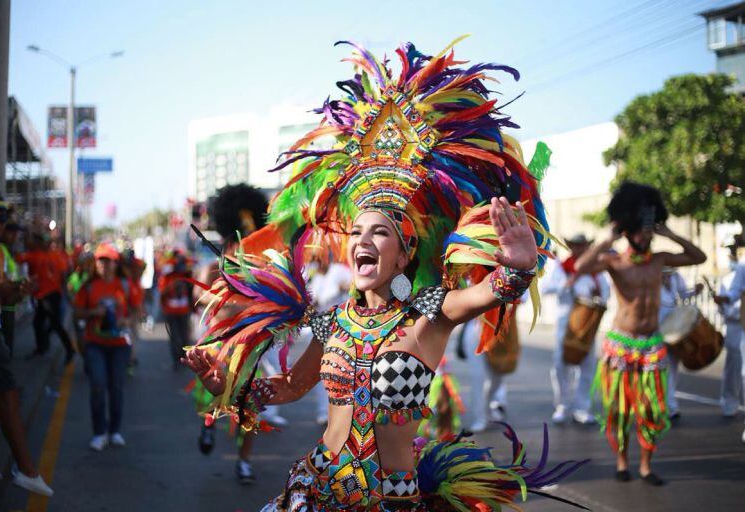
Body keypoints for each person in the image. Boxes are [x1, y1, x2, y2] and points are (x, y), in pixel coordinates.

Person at [184, 40, 584, 511]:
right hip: (317, 489)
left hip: (389, 501)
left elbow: (490, 292)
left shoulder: (427, 315)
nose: (362, 241)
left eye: (380, 233)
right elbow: (292, 387)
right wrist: (232, 388)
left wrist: (517, 264)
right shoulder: (331, 321)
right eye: (355, 232)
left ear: (404, 254)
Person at [577, 181, 706, 486]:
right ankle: (622, 462)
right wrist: (605, 238)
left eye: (649, 229)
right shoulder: (614, 261)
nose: (646, 234)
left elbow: (698, 257)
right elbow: (581, 267)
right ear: (628, 231)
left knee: (651, 410)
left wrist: (670, 234)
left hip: (652, 344)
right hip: (621, 345)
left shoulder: (660, 259)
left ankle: (646, 467)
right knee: (620, 410)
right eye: (641, 229)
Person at [192, 183, 280, 484]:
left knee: (248, 408)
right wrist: (232, 301)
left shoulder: (260, 267)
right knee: (211, 397)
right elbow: (198, 297)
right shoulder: (214, 267)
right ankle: (208, 424)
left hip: (249, 349)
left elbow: (270, 303)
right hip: (216, 348)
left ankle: (244, 462)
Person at [0, 192, 53, 496]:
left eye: (2, 220)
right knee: (6, 394)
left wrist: (21, 290)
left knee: (4, 396)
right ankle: (27, 468)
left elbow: (4, 297)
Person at [73, 244, 139, 451]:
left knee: (116, 388)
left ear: (115, 263)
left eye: (108, 260)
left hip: (120, 346)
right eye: (100, 260)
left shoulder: (125, 284)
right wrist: (93, 313)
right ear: (96, 263)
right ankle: (99, 433)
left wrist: (128, 321)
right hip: (95, 345)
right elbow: (77, 313)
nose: (104, 264)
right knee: (98, 385)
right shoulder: (89, 286)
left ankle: (115, 431)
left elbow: (138, 309)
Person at [542, 233, 610, 425]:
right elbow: (545, 288)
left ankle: (582, 408)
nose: (579, 249)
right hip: (566, 325)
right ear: (571, 247)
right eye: (576, 246)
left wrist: (599, 294)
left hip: (587, 327)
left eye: (582, 246)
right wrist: (566, 284)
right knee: (560, 366)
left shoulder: (596, 272)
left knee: (587, 367)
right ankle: (562, 405)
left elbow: (606, 294)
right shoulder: (561, 268)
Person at [16, 233, 74, 363]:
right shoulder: (54, 255)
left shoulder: (36, 255)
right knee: (39, 322)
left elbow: (17, 258)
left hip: (49, 295)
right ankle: (42, 347)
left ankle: (69, 349)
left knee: (54, 323)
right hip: (49, 294)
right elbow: (65, 273)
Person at [307, 256, 352, 425]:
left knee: (343, 371)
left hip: (344, 328)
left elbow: (356, 286)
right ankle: (324, 411)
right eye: (315, 260)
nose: (318, 263)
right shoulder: (316, 279)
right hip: (322, 330)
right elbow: (315, 303)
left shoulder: (339, 271)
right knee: (323, 372)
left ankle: (343, 412)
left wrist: (345, 287)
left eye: (320, 258)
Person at [658, 267, 702, 419]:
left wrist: (695, 291)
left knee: (672, 368)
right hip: (657, 329)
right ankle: (663, 406)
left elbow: (684, 294)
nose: (668, 276)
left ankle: (670, 406)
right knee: (659, 368)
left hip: (674, 329)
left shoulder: (676, 277)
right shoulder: (653, 279)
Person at [713, 239, 744, 418]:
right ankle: (729, 403)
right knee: (734, 368)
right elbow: (729, 302)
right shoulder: (728, 278)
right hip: (735, 327)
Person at [159, 250, 194, 370]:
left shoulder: (187, 275)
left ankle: (184, 358)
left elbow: (192, 292)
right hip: (171, 312)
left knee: (185, 336)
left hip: (184, 311)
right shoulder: (167, 275)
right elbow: (162, 292)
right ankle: (176, 360)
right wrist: (172, 286)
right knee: (174, 337)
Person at [0, 222, 23, 356]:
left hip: (10, 302)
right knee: (4, 345)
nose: (14, 237)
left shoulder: (7, 249)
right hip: (3, 304)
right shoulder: (0, 249)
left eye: (16, 234)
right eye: (11, 233)